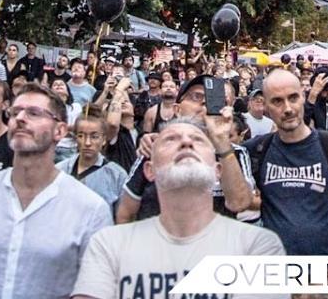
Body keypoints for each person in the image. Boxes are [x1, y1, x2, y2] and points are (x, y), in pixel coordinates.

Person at [72, 116, 285, 299]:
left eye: (198, 140)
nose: (185, 142)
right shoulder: (108, 245)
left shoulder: (258, 247)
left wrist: (221, 143)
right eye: (171, 140)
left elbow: (240, 202)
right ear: (150, 169)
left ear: (218, 170)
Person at [0, 82, 113, 298]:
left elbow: (94, 289)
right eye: (16, 112)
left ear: (60, 131)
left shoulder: (91, 209)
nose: (20, 118)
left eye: (34, 113)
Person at [250, 67, 328, 254]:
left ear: (303, 98)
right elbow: (235, 202)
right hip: (275, 270)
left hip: (327, 269)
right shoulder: (258, 149)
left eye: (293, 98)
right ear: (266, 107)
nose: (287, 108)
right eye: (277, 101)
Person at [116, 75, 258, 223]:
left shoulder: (233, 153)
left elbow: (239, 203)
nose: (204, 102)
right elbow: (126, 212)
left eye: (211, 98)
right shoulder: (155, 150)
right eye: (196, 96)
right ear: (177, 109)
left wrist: (221, 142)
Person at [60, 112, 132, 213]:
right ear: (76, 138)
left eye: (94, 137)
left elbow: (122, 217)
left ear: (103, 140)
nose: (87, 143)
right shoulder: (60, 170)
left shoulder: (117, 175)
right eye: (81, 136)